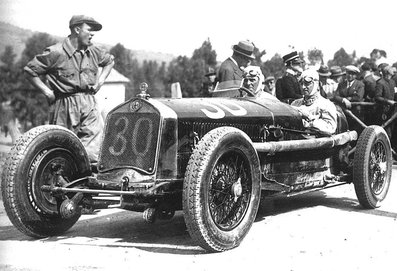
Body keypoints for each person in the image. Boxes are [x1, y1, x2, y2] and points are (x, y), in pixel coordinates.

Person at [24, 15, 115, 163]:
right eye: (89, 30)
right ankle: (60, 182)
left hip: (89, 102)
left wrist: (101, 80)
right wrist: (46, 91)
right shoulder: (56, 52)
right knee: (61, 148)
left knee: (93, 150)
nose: (92, 34)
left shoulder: (94, 51)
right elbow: (30, 71)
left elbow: (109, 61)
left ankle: (85, 181)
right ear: (77, 29)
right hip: (65, 105)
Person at [291, 68, 337, 135]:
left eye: (307, 84)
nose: (303, 87)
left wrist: (309, 118)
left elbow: (330, 128)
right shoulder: (295, 104)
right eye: (301, 83)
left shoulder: (326, 105)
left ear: (316, 84)